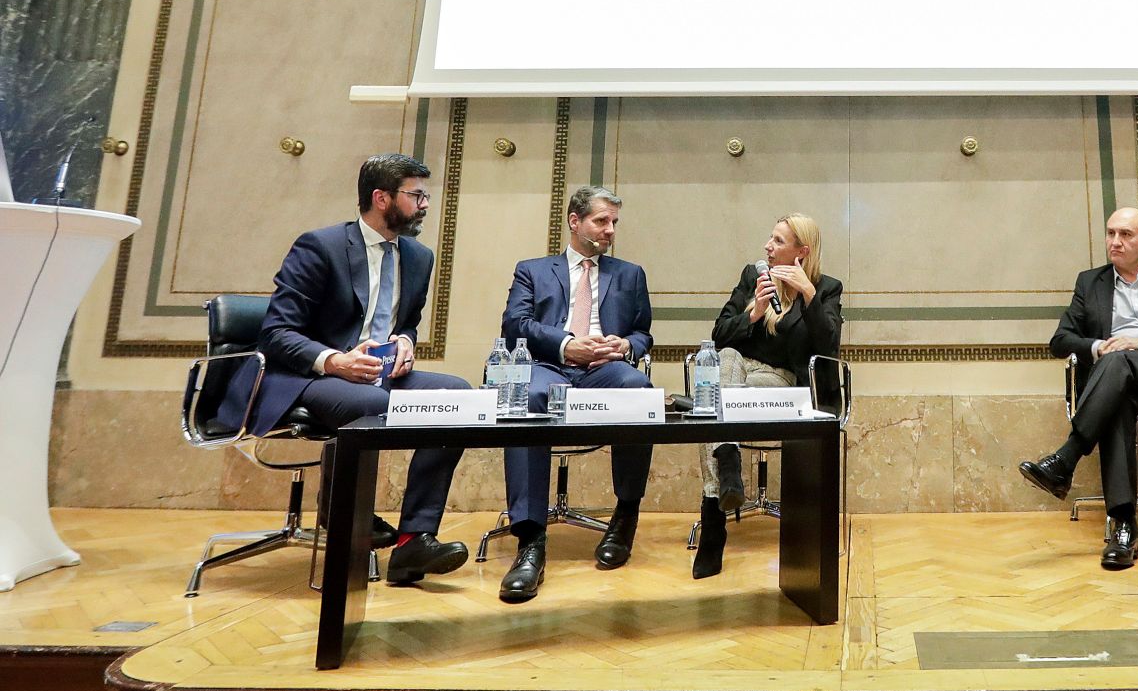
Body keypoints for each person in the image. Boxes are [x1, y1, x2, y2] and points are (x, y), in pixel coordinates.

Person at [215, 153, 472, 586]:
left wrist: (406, 341)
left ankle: (413, 541)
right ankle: (343, 513)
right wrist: (335, 360)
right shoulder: (321, 246)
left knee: (459, 397)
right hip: (306, 376)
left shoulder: (419, 257)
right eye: (417, 195)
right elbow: (276, 333)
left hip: (378, 372)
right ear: (381, 198)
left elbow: (405, 320)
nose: (426, 204)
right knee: (371, 403)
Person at [1018, 208, 1138, 570]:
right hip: (1119, 378)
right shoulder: (1090, 282)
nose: (1115, 242)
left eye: (1125, 234)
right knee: (1117, 394)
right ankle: (1124, 528)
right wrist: (1099, 347)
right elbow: (1060, 340)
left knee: (1121, 361)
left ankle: (1068, 457)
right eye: (1111, 234)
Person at [496, 186, 655, 604]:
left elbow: (643, 333)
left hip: (605, 369)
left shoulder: (630, 273)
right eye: (602, 221)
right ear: (574, 221)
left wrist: (625, 347)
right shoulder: (533, 270)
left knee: (640, 392)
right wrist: (566, 344)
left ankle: (625, 517)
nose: (610, 231)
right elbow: (515, 325)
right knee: (529, 400)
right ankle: (530, 541)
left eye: (614, 223)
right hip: (549, 366)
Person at [692, 214, 844, 580]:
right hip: (736, 371)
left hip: (781, 381)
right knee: (722, 363)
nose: (767, 246)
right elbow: (719, 336)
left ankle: (713, 522)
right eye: (769, 239)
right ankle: (726, 466)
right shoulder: (752, 277)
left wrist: (807, 295)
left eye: (777, 241)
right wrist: (755, 312)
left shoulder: (826, 288)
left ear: (801, 251)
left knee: (714, 405)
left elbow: (827, 348)